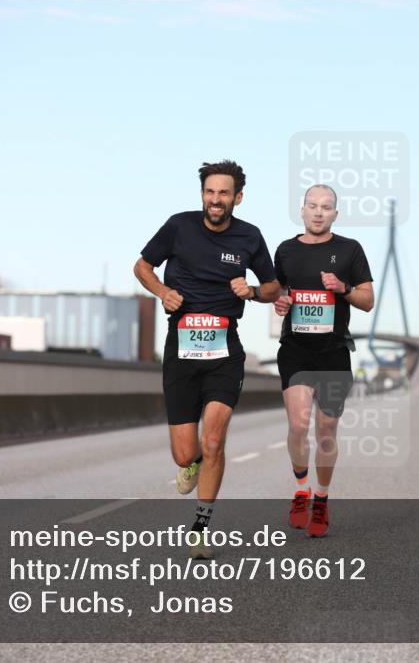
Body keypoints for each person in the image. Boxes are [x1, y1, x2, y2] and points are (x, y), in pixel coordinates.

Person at [134, 160, 280, 559]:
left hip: (224, 351)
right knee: (186, 453)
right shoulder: (178, 226)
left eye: (224, 193)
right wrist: (162, 292)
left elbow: (273, 286)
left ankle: (200, 527)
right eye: (210, 192)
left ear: (238, 197)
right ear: (202, 194)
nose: (216, 200)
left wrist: (250, 290)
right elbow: (142, 266)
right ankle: (192, 462)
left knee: (214, 439)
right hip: (180, 349)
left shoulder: (249, 237)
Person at [273, 184, 374, 537]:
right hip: (295, 349)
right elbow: (278, 294)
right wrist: (281, 303)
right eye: (312, 206)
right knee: (299, 426)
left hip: (333, 352)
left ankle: (322, 499)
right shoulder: (285, 251)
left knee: (326, 430)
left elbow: (367, 300)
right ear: (301, 210)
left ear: (335, 214)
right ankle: (301, 488)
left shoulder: (349, 250)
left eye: (326, 207)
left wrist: (343, 288)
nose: (318, 212)